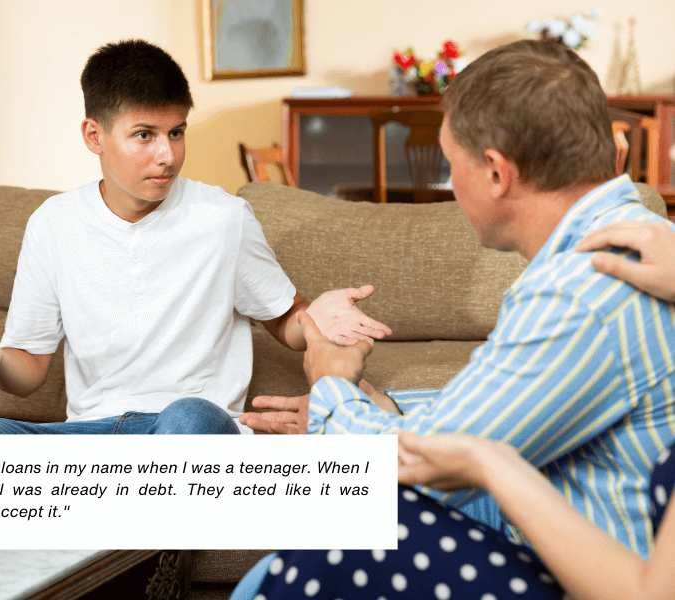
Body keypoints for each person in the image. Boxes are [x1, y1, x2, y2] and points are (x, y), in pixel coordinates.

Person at [240, 39, 675, 557]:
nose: (449, 186)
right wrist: (378, 406)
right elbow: (502, 416)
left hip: (586, 561)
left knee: (307, 540)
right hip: (556, 500)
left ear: (495, 172)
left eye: (452, 164)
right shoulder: (641, 240)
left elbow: (427, 467)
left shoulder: (578, 289)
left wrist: (333, 382)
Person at [0, 39, 389, 436]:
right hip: (91, 433)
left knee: (189, 418)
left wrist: (315, 318)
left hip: (187, 427)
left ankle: (112, 527)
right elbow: (29, 370)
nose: (167, 155)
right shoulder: (53, 223)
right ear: (94, 135)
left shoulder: (223, 217)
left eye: (177, 133)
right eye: (144, 135)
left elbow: (284, 320)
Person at [231, 221, 675, 600]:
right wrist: (381, 405)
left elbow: (649, 591)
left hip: (538, 537)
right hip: (521, 514)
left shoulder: (586, 297)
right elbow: (494, 409)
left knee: (333, 529)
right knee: (263, 545)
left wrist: (335, 392)